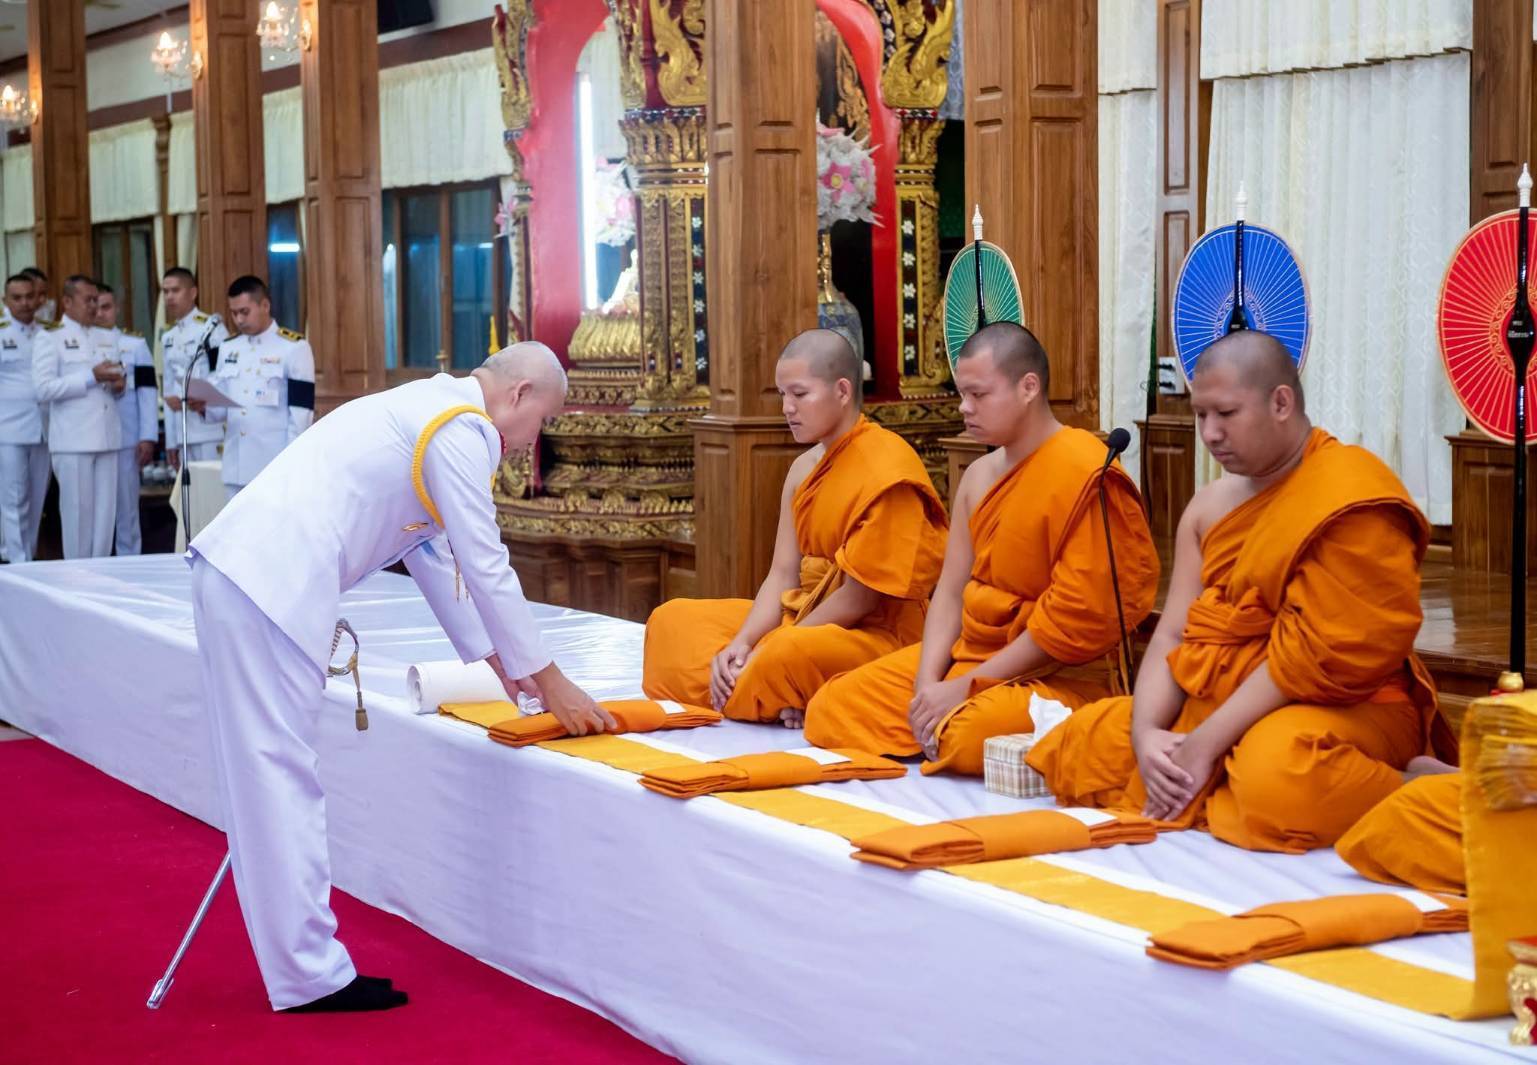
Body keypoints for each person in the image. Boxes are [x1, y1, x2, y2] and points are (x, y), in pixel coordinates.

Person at [188, 342, 615, 1012]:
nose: (534, 440)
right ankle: (309, 975)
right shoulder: (462, 428)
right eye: (544, 421)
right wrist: (548, 677)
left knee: (270, 777)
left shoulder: (431, 407)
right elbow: (484, 558)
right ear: (520, 394)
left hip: (247, 577)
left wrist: (499, 660)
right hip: (268, 584)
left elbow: (431, 550)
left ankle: (303, 968)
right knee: (279, 778)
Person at [1026, 330, 1455, 852]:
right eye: (1200, 415)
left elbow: (1313, 658)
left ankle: (1410, 785)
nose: (1210, 433)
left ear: (1281, 403)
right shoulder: (1208, 507)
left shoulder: (1347, 493)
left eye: (1226, 414)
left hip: (1345, 706)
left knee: (1275, 777)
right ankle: (1222, 778)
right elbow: (1174, 635)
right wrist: (1147, 733)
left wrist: (1206, 742)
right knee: (1083, 744)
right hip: (1221, 700)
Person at [802, 322, 1160, 773]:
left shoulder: (1086, 473)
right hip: (969, 655)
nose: (964, 408)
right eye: (961, 394)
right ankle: (935, 724)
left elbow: (1073, 621)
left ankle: (972, 729)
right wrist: (926, 683)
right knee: (831, 707)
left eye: (978, 395)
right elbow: (951, 592)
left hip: (1058, 676)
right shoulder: (977, 477)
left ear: (1028, 387)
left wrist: (966, 686)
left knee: (967, 731)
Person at [642, 328, 948, 726]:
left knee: (786, 655)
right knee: (671, 623)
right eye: (782, 394)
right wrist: (743, 643)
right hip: (803, 616)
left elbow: (860, 601)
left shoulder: (887, 469)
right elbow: (782, 574)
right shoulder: (803, 469)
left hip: (874, 635)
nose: (787, 408)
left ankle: (777, 690)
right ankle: (780, 694)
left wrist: (774, 644)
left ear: (842, 391)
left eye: (799, 394)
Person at [32, 275, 122, 559]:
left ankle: (102, 573)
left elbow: (117, 384)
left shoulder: (107, 336)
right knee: (78, 517)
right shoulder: (50, 338)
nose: (94, 306)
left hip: (107, 437)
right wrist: (90, 377)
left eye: (96, 300)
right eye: (88, 300)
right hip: (73, 440)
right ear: (67, 302)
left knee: (105, 519)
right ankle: (77, 576)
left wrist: (119, 384)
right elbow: (43, 389)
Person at [205, 275, 314, 499]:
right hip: (236, 464)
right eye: (234, 313)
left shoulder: (294, 348)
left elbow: (301, 415)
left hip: (272, 463)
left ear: (265, 305)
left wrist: (290, 463)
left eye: (244, 312)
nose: (238, 319)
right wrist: (202, 405)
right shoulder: (228, 348)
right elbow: (221, 410)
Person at [94, 284, 158, 555]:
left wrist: (148, 436)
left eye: (106, 307)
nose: (100, 313)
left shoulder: (134, 345)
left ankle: (129, 559)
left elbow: (147, 392)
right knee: (94, 509)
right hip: (90, 438)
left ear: (117, 308)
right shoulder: (81, 346)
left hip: (126, 438)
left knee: (127, 509)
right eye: (95, 307)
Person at [159, 267, 228, 471]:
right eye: (165, 291)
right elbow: (169, 389)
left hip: (209, 429)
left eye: (175, 290)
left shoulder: (211, 328)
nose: (169, 297)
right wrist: (172, 441)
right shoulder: (168, 337)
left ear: (193, 293)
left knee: (211, 488)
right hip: (183, 431)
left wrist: (197, 397)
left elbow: (222, 374)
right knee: (188, 489)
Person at [0, 273, 48, 562]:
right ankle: (17, 561)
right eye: (17, 298)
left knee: (37, 498)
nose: (25, 303)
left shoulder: (47, 332)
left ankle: (28, 554)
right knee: (13, 498)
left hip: (43, 427)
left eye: (30, 297)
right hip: (9, 428)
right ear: (5, 300)